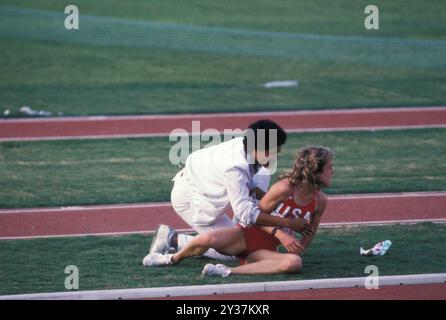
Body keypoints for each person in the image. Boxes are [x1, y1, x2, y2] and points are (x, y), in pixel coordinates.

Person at [143, 146, 334, 277]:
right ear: (315, 171)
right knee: (206, 240)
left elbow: (310, 233)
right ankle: (170, 258)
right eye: (329, 168)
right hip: (245, 235)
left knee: (294, 263)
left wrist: (299, 247)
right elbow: (255, 219)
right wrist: (283, 232)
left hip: (264, 250)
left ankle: (226, 271)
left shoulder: (321, 201)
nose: (332, 171)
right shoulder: (284, 189)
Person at [147, 119, 313, 262]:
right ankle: (172, 238)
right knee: (234, 251)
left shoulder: (248, 147)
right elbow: (245, 212)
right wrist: (286, 224)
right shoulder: (234, 167)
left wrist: (281, 209)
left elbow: (253, 190)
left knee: (262, 176)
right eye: (273, 151)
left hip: (204, 185)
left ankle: (239, 232)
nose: (276, 154)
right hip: (192, 199)